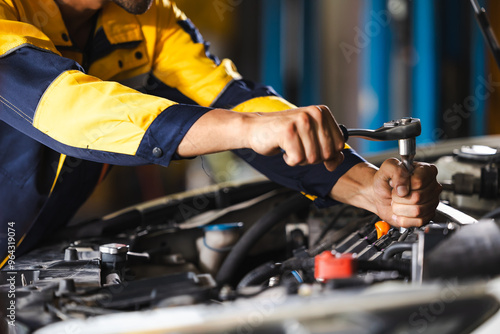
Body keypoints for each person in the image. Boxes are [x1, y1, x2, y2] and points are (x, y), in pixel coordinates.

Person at [0, 0, 441, 268]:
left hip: (27, 253)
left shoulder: (149, 23)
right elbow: (63, 107)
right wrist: (247, 129)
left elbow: (232, 99)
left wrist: (369, 188)